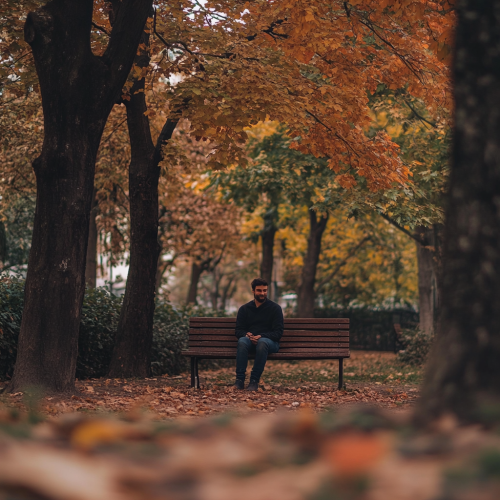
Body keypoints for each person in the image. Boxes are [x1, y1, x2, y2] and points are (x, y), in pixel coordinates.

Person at [234, 278, 284, 391]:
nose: (262, 293)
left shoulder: (275, 308)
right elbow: (238, 330)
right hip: (250, 342)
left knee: (262, 342)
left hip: (270, 343)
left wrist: (261, 336)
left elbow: (278, 333)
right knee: (242, 341)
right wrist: (247, 335)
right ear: (253, 291)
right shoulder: (244, 309)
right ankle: (239, 380)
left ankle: (254, 380)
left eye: (265, 290)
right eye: (259, 290)